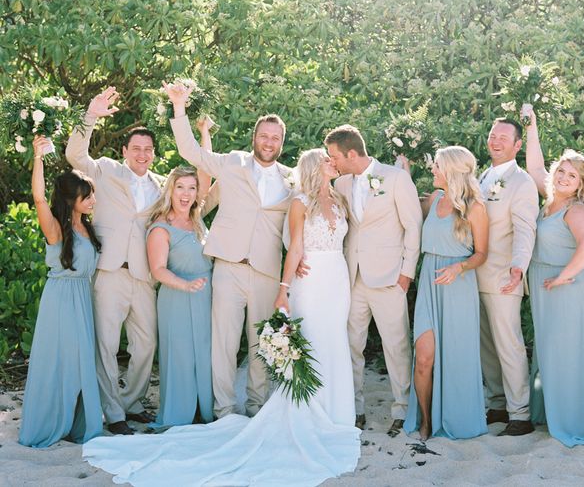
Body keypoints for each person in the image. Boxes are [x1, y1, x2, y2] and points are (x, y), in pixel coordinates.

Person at [83, 148, 360, 487]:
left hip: (333, 281)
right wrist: (285, 285)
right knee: (221, 346)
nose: (334, 164)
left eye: (190, 189)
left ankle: (331, 410)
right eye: (327, 160)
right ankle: (221, 409)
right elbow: (295, 243)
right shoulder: (295, 198)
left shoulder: (336, 195)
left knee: (328, 343)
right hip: (273, 283)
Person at [165, 81, 294, 418]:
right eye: (264, 136)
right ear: (255, 137)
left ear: (282, 142)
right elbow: (192, 153)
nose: (269, 142)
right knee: (223, 343)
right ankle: (224, 410)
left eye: (275, 138)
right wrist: (179, 107)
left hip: (267, 272)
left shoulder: (291, 179)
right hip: (228, 267)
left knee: (260, 346)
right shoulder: (233, 162)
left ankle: (256, 407)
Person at [66, 88, 164, 435]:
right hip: (109, 273)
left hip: (144, 277)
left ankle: (132, 402)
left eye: (148, 150)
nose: (142, 154)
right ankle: (113, 412)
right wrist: (89, 115)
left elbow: (194, 203)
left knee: (146, 344)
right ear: (125, 151)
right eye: (136, 148)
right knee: (106, 345)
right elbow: (75, 154)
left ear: (153, 155)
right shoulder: (105, 171)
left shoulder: (161, 187)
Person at [325, 125, 423, 436]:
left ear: (351, 154)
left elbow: (413, 226)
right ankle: (354, 409)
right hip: (352, 276)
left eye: (335, 157)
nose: (333, 162)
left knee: (396, 346)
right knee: (351, 345)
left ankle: (402, 409)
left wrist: (407, 272)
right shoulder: (339, 182)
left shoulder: (395, 178)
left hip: (390, 277)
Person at [525, 112, 584, 448]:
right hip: (548, 283)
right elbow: (534, 168)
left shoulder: (574, 209)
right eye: (560, 170)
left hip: (569, 287)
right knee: (550, 350)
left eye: (571, 175)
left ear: (580, 183)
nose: (563, 177)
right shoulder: (548, 202)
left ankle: (572, 420)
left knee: (568, 352)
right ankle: (552, 413)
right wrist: (531, 127)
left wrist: (562, 277)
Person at [19, 136, 103, 447]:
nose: (92, 200)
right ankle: (51, 421)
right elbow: (40, 198)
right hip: (61, 301)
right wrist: (38, 157)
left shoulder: (88, 227)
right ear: (70, 200)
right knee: (62, 362)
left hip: (83, 299)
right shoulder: (56, 229)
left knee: (82, 362)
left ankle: (78, 423)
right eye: (86, 196)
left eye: (92, 194)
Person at [400, 147, 489, 441]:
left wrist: (460, 268)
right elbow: (404, 206)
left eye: (437, 166)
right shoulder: (435, 199)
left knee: (458, 358)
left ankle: (458, 419)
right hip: (429, 283)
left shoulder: (475, 208)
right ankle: (425, 421)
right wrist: (404, 171)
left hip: (458, 286)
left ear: (451, 170)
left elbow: (481, 254)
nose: (433, 171)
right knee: (424, 357)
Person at [476, 118, 539, 436]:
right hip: (476, 275)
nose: (495, 141)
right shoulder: (482, 176)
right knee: (486, 345)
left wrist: (518, 267)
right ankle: (497, 404)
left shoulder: (522, 182)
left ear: (517, 145)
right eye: (491, 135)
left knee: (509, 345)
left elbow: (526, 229)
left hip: (504, 276)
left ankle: (521, 414)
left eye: (503, 137)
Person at [146, 159, 214, 426]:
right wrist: (185, 285)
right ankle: (179, 414)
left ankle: (202, 410)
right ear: (170, 191)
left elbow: (207, 175)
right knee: (181, 355)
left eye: (191, 188)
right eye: (180, 188)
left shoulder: (197, 221)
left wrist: (205, 136)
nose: (186, 194)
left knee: (204, 354)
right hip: (177, 297)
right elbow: (158, 269)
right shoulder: (162, 227)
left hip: (204, 296)